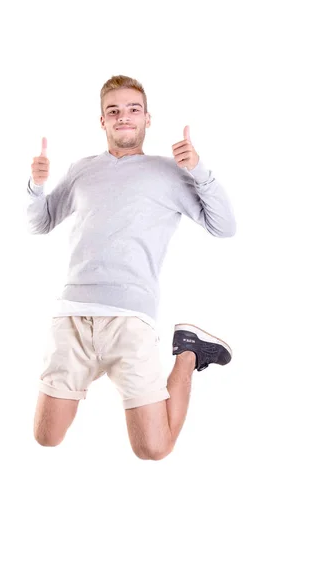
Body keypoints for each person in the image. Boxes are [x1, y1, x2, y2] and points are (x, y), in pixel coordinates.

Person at [26, 75, 236, 460]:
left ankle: (188, 352)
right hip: (72, 318)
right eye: (114, 111)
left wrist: (199, 169)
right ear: (102, 121)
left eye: (133, 110)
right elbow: (40, 223)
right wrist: (35, 186)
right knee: (46, 437)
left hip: (130, 319)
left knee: (153, 448)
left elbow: (224, 227)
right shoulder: (82, 169)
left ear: (147, 119)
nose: (124, 117)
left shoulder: (170, 171)